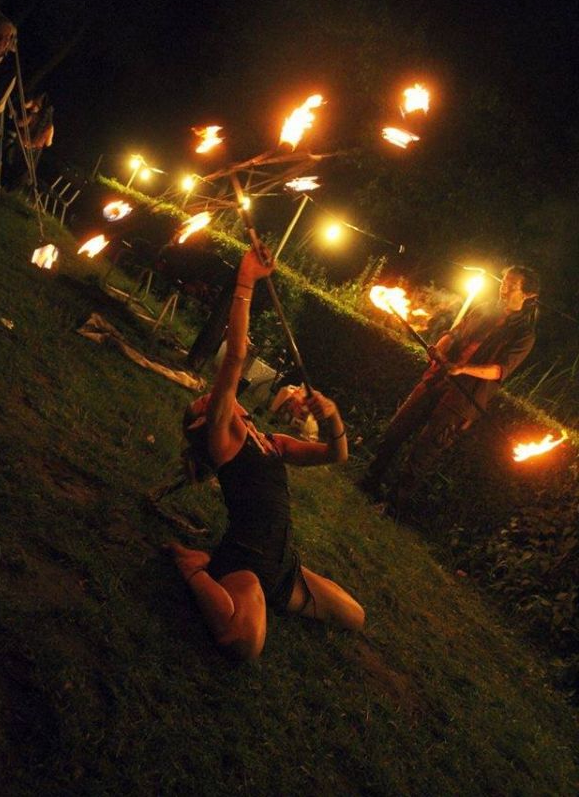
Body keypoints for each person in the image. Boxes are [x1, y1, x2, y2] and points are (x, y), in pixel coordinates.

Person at [168, 244, 364, 660]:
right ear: (206, 425)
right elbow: (235, 357)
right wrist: (245, 279)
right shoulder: (225, 442)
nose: (212, 399)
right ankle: (195, 569)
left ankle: (240, 582)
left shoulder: (272, 444)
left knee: (355, 617)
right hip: (245, 562)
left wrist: (332, 415)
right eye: (204, 404)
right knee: (243, 644)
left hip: (284, 566)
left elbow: (336, 454)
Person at [360, 266, 540, 507]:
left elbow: (499, 370)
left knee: (423, 453)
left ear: (528, 294)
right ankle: (369, 481)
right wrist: (440, 347)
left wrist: (462, 369)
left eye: (511, 285)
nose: (503, 287)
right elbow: (454, 334)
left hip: (462, 400)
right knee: (397, 429)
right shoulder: (484, 309)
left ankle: (393, 505)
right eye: (504, 281)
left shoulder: (524, 334)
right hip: (437, 379)